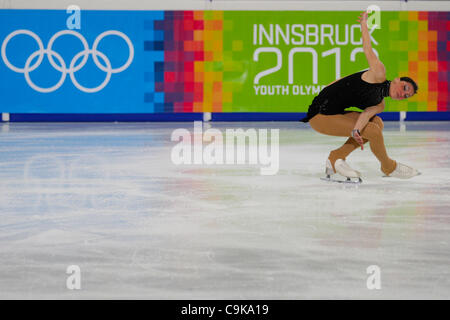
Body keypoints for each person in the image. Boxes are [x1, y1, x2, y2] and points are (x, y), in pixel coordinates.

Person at [301, 11, 420, 180]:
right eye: (405, 87)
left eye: (406, 95)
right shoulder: (379, 73)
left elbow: (365, 115)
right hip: (320, 114)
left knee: (376, 123)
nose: (403, 93)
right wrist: (364, 25)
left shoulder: (380, 104)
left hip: (336, 113)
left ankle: (335, 157)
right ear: (397, 80)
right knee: (372, 130)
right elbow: (367, 48)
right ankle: (388, 166)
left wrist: (356, 130)